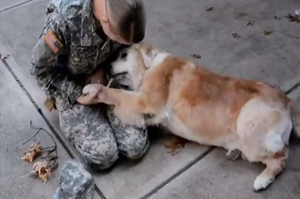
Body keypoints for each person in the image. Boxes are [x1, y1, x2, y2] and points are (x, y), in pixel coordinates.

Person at [30, 0, 150, 171]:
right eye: (117, 38)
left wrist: (104, 72)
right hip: (72, 83)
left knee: (135, 146)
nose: (122, 43)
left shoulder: (127, 9)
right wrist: (77, 94)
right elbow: (40, 70)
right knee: (104, 156)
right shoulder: (64, 21)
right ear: (105, 21)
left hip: (109, 75)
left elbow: (128, 48)